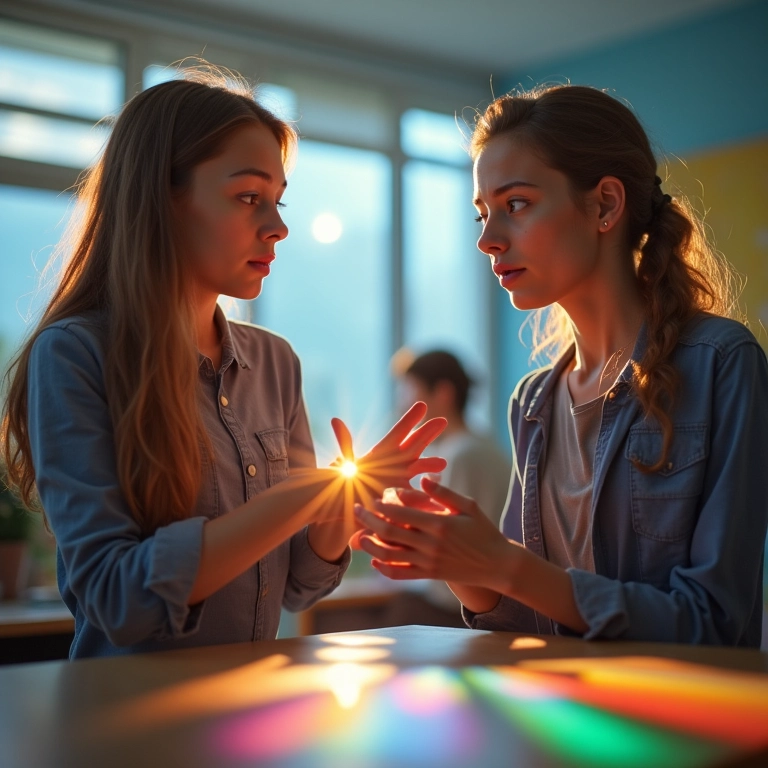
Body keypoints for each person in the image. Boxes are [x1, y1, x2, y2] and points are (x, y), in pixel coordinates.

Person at [0, 64, 446, 658]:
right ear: (162, 199)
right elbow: (116, 598)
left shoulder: (275, 362)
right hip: (128, 710)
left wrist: (338, 509)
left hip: (247, 702)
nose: (278, 227)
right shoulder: (75, 354)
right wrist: (300, 498)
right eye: (249, 198)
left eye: (278, 202)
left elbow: (298, 586)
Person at [353, 83, 768, 646]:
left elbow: (713, 625)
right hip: (559, 698)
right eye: (482, 214)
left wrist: (505, 565)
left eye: (515, 205)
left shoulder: (722, 363)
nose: (487, 239)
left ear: (605, 205)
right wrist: (458, 560)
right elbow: (526, 622)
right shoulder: (533, 402)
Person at [384, 348, 511, 626]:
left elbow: (450, 558)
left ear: (443, 393)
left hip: (470, 605)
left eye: (411, 390)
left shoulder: (462, 455)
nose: (404, 403)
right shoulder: (481, 444)